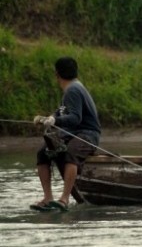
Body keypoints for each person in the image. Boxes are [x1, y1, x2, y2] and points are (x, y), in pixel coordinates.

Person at [31, 57, 101, 212]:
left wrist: (54, 120)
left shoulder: (73, 90)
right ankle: (48, 198)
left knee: (70, 153)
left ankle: (64, 199)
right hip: (73, 132)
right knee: (42, 153)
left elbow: (76, 118)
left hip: (88, 134)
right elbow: (61, 112)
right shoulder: (71, 88)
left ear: (56, 74)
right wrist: (45, 119)